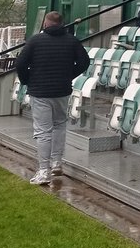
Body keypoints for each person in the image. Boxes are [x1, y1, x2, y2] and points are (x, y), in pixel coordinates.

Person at [15, 11, 90, 185]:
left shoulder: (35, 40)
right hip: (62, 90)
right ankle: (57, 162)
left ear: (46, 24)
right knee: (59, 126)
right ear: (61, 24)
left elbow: (20, 63)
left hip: (40, 91)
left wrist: (27, 80)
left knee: (43, 131)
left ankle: (43, 170)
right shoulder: (72, 40)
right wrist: (69, 75)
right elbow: (85, 62)